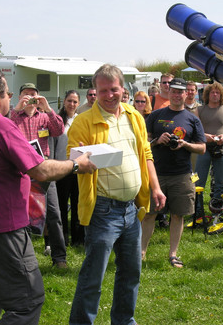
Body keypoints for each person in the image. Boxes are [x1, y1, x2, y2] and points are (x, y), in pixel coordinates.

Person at [0, 68, 96, 325]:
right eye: (7, 94)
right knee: (28, 302)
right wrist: (76, 165)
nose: (9, 99)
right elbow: (40, 169)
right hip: (2, 232)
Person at [67, 64, 166, 325]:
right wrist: (80, 157)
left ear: (123, 89)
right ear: (95, 92)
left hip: (133, 210)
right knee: (92, 278)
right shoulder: (83, 121)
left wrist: (155, 187)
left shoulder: (135, 116)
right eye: (103, 91)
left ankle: (124, 321)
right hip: (102, 211)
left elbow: (146, 154)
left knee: (131, 274)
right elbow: (73, 160)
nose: (109, 95)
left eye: (114, 89)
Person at [142, 77, 206, 267]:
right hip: (157, 173)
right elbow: (144, 142)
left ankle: (173, 254)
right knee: (149, 214)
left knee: (178, 215)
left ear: (187, 94)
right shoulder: (155, 115)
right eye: (174, 91)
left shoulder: (193, 119)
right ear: (169, 93)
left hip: (182, 174)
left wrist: (185, 144)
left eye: (181, 91)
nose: (178, 95)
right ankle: (141, 252)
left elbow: (202, 148)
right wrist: (156, 141)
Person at [10, 83, 68, 268]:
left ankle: (60, 258)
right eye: (26, 95)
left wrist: (48, 108)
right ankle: (23, 259)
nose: (30, 99)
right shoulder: (13, 117)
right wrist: (17, 109)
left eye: (33, 95)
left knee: (54, 214)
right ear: (19, 97)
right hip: (21, 173)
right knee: (21, 217)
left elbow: (59, 130)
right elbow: (3, 131)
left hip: (43, 170)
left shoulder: (43, 117)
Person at [195, 82, 223, 215]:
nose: (215, 94)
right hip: (204, 148)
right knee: (198, 180)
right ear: (207, 94)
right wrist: (206, 136)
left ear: (221, 95)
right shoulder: (200, 110)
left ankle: (217, 209)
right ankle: (197, 210)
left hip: (221, 148)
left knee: (221, 181)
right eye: (212, 92)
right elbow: (195, 129)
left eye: (217, 92)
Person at [53, 90, 84, 246]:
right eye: (69, 101)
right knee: (62, 205)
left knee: (78, 203)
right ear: (64, 101)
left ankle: (78, 239)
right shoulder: (58, 120)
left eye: (75, 102)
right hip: (62, 167)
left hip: (78, 168)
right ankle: (63, 238)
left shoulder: (81, 120)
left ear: (78, 104)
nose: (72, 104)